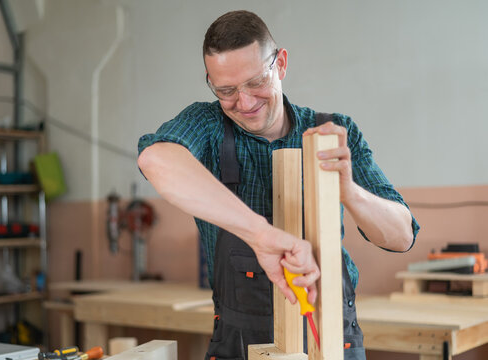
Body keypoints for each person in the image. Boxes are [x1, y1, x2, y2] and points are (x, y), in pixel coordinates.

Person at [138, 10, 419, 360]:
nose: (245, 102)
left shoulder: (333, 132)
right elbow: (155, 160)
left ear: (280, 64)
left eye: (256, 82)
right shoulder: (207, 125)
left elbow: (402, 236)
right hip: (239, 343)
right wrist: (261, 234)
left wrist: (349, 191)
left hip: (332, 339)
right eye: (226, 90)